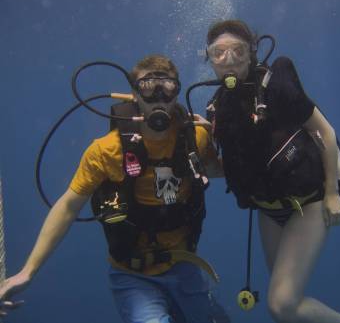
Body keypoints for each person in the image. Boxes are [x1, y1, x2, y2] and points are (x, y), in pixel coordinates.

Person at [0, 54, 229, 323]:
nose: (158, 97)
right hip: (133, 275)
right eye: (147, 87)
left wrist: (233, 136)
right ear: (134, 94)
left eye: (167, 88)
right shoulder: (106, 150)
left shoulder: (196, 137)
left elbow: (221, 170)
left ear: (177, 92)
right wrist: (28, 271)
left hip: (185, 266)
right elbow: (68, 206)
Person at [204, 20, 340, 323]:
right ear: (209, 58)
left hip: (308, 202)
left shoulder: (276, 85)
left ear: (252, 53)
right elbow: (226, 169)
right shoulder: (217, 108)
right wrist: (194, 150)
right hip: (269, 211)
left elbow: (326, 133)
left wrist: (333, 193)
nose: (228, 61)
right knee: (286, 310)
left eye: (237, 51)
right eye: (218, 53)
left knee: (281, 304)